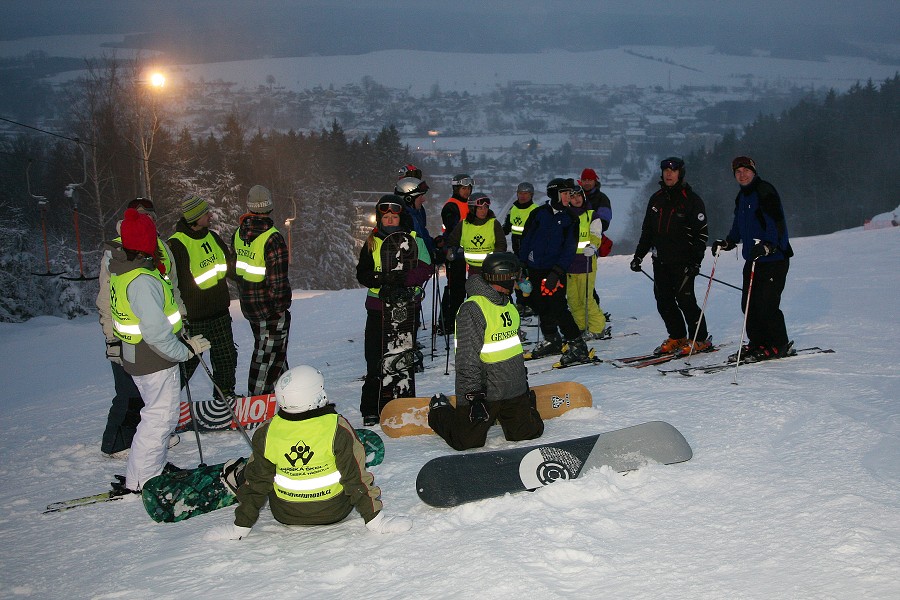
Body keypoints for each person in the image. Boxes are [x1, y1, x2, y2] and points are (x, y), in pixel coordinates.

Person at [225, 365, 411, 539]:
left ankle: (236, 475)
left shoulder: (267, 431)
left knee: (258, 469)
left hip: (285, 513)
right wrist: (376, 522)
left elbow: (258, 482)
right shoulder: (337, 428)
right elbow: (356, 479)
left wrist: (240, 526)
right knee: (349, 461)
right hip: (334, 511)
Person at [107, 208, 210, 493]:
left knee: (158, 416)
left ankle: (147, 470)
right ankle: (142, 480)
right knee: (159, 418)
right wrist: (185, 351)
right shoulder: (141, 280)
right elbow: (155, 332)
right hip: (154, 359)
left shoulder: (126, 271)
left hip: (141, 356)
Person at [428, 252, 543, 451]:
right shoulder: (472, 309)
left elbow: (511, 349)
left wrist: (522, 385)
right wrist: (474, 398)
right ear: (505, 277)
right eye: (516, 276)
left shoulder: (507, 302)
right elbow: (467, 359)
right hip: (484, 393)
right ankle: (440, 409)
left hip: (511, 387)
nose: (519, 280)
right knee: (466, 442)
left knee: (527, 434)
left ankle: (522, 407)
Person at [97, 198, 182, 458]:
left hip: (159, 334)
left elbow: (172, 287)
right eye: (143, 215)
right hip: (129, 334)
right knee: (128, 391)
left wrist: (182, 319)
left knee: (155, 393)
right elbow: (107, 298)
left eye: (151, 215)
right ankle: (117, 442)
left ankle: (152, 435)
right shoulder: (118, 251)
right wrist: (111, 337)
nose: (148, 219)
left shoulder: (162, 248)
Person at [355, 195, 433, 425]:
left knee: (402, 356)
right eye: (386, 217)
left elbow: (426, 267)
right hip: (379, 307)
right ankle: (371, 407)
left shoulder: (413, 239)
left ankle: (402, 399)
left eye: (394, 216)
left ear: (401, 216)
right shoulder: (373, 240)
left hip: (406, 307)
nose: (389, 220)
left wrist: (403, 280)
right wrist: (384, 280)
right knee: (375, 357)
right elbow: (363, 274)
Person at [712, 156, 794, 362]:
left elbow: (777, 223)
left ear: (754, 171)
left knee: (767, 304)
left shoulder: (765, 191)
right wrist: (729, 242)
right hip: (754, 259)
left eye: (746, 170)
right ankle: (758, 342)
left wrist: (769, 245)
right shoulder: (742, 197)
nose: (742, 175)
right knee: (748, 305)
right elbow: (739, 225)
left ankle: (778, 344)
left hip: (774, 259)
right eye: (738, 172)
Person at [630, 157, 711, 356]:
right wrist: (638, 256)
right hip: (660, 260)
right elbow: (647, 231)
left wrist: (695, 261)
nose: (668, 173)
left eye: (673, 170)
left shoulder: (691, 199)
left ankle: (699, 339)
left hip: (683, 261)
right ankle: (677, 336)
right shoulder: (656, 198)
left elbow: (702, 234)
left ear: (680, 173)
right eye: (665, 170)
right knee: (663, 300)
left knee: (685, 301)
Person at [168, 193, 238, 416]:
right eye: (205, 213)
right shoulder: (177, 245)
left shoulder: (213, 237)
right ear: (195, 218)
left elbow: (229, 267)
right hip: (194, 318)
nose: (210, 215)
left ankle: (225, 396)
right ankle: (163, 406)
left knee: (226, 357)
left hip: (219, 313)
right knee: (186, 365)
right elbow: (172, 284)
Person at [518, 178, 589, 364]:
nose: (569, 197)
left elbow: (569, 249)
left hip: (554, 272)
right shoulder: (538, 214)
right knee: (540, 305)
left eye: (570, 194)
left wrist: (556, 272)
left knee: (558, 307)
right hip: (535, 269)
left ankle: (577, 345)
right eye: (565, 193)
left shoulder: (570, 218)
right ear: (554, 194)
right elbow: (526, 240)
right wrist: (521, 265)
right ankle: (552, 339)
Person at [233, 185, 292, 396]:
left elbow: (237, 269)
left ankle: (287, 393)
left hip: (250, 305)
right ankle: (256, 401)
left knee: (274, 351)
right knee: (266, 355)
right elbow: (278, 281)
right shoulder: (272, 238)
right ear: (269, 207)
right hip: (270, 308)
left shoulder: (239, 234)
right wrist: (280, 307)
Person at [565, 185, 608, 340]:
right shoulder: (566, 215)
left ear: (583, 197)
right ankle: (582, 327)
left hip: (586, 261)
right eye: (572, 196)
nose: (576, 199)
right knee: (573, 299)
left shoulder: (591, 215)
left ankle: (598, 327)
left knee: (586, 298)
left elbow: (596, 234)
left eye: (578, 196)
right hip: (569, 263)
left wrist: (593, 246)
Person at [435, 173, 473, 335]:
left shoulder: (469, 204)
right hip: (454, 252)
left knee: (461, 288)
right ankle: (446, 322)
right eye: (463, 188)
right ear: (456, 188)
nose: (467, 191)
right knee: (454, 288)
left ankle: (455, 319)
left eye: (469, 188)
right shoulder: (451, 206)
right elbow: (453, 229)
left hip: (467, 252)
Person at [444, 193, 506, 277]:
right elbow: (452, 241)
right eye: (480, 208)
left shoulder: (494, 223)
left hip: (490, 269)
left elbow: (501, 244)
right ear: (473, 209)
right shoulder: (464, 225)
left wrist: (493, 259)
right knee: (474, 290)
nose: (484, 211)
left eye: (485, 208)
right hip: (473, 270)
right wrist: (452, 251)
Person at [502, 182, 538, 315]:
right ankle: (521, 303)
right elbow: (506, 228)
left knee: (530, 278)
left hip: (531, 251)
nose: (522, 196)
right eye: (520, 193)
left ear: (531, 195)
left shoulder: (535, 210)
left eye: (525, 194)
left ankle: (531, 304)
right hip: (517, 250)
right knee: (518, 278)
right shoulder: (513, 209)